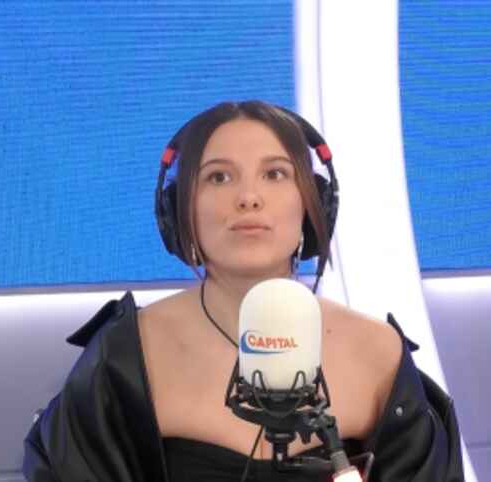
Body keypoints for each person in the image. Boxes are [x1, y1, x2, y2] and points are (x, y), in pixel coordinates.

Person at [23, 101, 464, 481]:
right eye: (219, 177)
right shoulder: (123, 355)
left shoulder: (379, 352)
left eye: (275, 173)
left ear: (313, 204)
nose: (249, 197)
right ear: (178, 211)